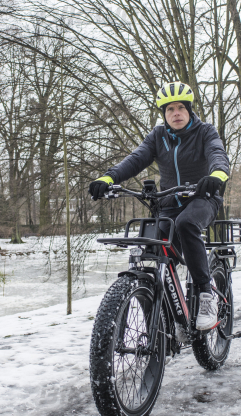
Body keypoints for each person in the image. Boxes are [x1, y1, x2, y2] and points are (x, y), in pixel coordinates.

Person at [88, 81, 230, 330]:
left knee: (186, 224)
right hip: (168, 203)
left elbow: (218, 154)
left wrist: (216, 176)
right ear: (164, 114)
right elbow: (136, 159)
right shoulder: (158, 136)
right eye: (169, 109)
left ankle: (206, 295)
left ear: (189, 110)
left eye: (180, 108)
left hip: (202, 198)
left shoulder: (205, 132)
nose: (175, 113)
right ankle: (165, 314)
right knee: (153, 245)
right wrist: (107, 178)